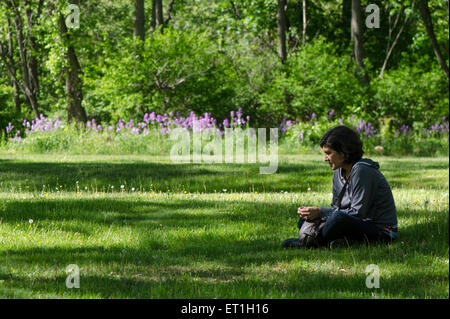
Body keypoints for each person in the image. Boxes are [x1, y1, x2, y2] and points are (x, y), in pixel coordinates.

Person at [282, 125, 398, 249]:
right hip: (354, 223)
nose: (325, 159)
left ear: (343, 153)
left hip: (380, 231)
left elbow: (357, 213)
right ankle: (339, 242)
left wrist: (321, 212)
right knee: (306, 220)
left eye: (328, 153)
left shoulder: (362, 171)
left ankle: (314, 244)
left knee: (337, 218)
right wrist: (315, 214)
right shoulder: (338, 172)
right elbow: (336, 207)